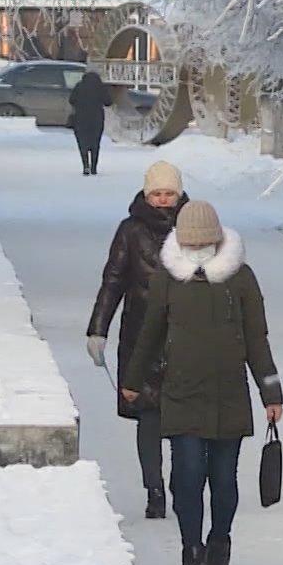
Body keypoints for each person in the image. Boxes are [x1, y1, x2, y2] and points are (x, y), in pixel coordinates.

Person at [121, 201, 283, 565]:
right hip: (181, 393)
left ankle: (219, 546)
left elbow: (257, 341)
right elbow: (151, 333)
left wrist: (271, 393)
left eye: (203, 244)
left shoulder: (241, 279)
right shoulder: (167, 278)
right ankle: (190, 551)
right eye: (189, 244)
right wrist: (132, 380)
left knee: (224, 481)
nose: (196, 251)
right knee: (188, 476)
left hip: (229, 395)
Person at [87, 160, 190, 520]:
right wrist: (98, 328)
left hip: (184, 334)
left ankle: (182, 485)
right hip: (140, 332)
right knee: (148, 414)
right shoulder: (130, 231)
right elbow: (113, 279)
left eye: (169, 194)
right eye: (157, 194)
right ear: (147, 196)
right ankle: (154, 489)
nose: (163, 201)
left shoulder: (193, 228)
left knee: (182, 417)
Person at [68, 69, 110, 175]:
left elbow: (71, 100)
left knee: (83, 143)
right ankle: (94, 167)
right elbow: (108, 102)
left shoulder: (79, 86)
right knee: (95, 143)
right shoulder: (100, 87)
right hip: (97, 119)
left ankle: (85, 166)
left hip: (81, 119)